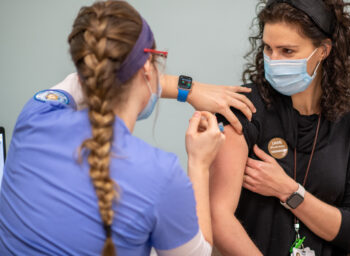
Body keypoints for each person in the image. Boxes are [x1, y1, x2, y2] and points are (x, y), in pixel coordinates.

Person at [0, 1, 251, 255]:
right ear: (146, 68)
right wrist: (200, 164)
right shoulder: (161, 175)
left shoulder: (35, 115)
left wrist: (189, 89)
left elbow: (83, 80)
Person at [210, 0, 350, 255]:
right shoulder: (243, 108)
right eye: (268, 48)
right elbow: (218, 217)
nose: (273, 60)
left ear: (323, 51)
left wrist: (289, 191)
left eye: (287, 51)